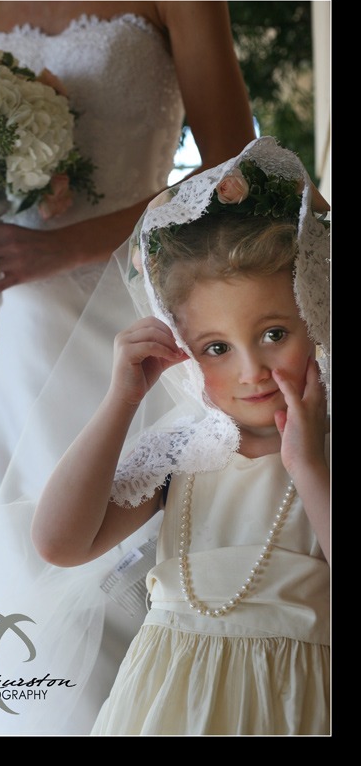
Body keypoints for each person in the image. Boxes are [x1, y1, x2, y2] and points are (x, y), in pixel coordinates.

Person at [0, 0, 257, 736]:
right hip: (9, 337)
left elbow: (233, 173)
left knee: (128, 546)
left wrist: (66, 246)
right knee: (13, 549)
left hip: (133, 318)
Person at [32, 136, 330, 735]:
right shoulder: (186, 453)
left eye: (274, 334)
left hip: (295, 703)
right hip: (167, 704)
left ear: (318, 315)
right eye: (216, 348)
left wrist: (308, 467)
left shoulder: (323, 454)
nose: (251, 370)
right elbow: (59, 542)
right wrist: (121, 401)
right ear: (183, 349)